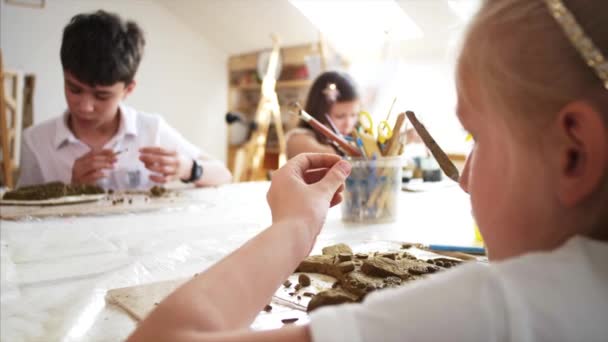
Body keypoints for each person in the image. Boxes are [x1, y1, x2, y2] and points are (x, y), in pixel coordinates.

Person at [129, 0, 608, 340]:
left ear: (574, 154)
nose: (464, 177)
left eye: (477, 138)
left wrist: (294, 227)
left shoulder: (502, 310)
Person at [17, 10, 232, 190]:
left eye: (102, 96)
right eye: (74, 89)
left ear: (128, 89)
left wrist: (188, 169)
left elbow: (224, 175)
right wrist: (70, 187)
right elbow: (17, 213)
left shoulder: (150, 130)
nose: (84, 106)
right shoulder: (36, 142)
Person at [286, 71, 360, 159]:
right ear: (319, 111)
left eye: (353, 115)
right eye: (340, 116)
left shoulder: (355, 138)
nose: (349, 124)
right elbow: (332, 156)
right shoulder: (298, 138)